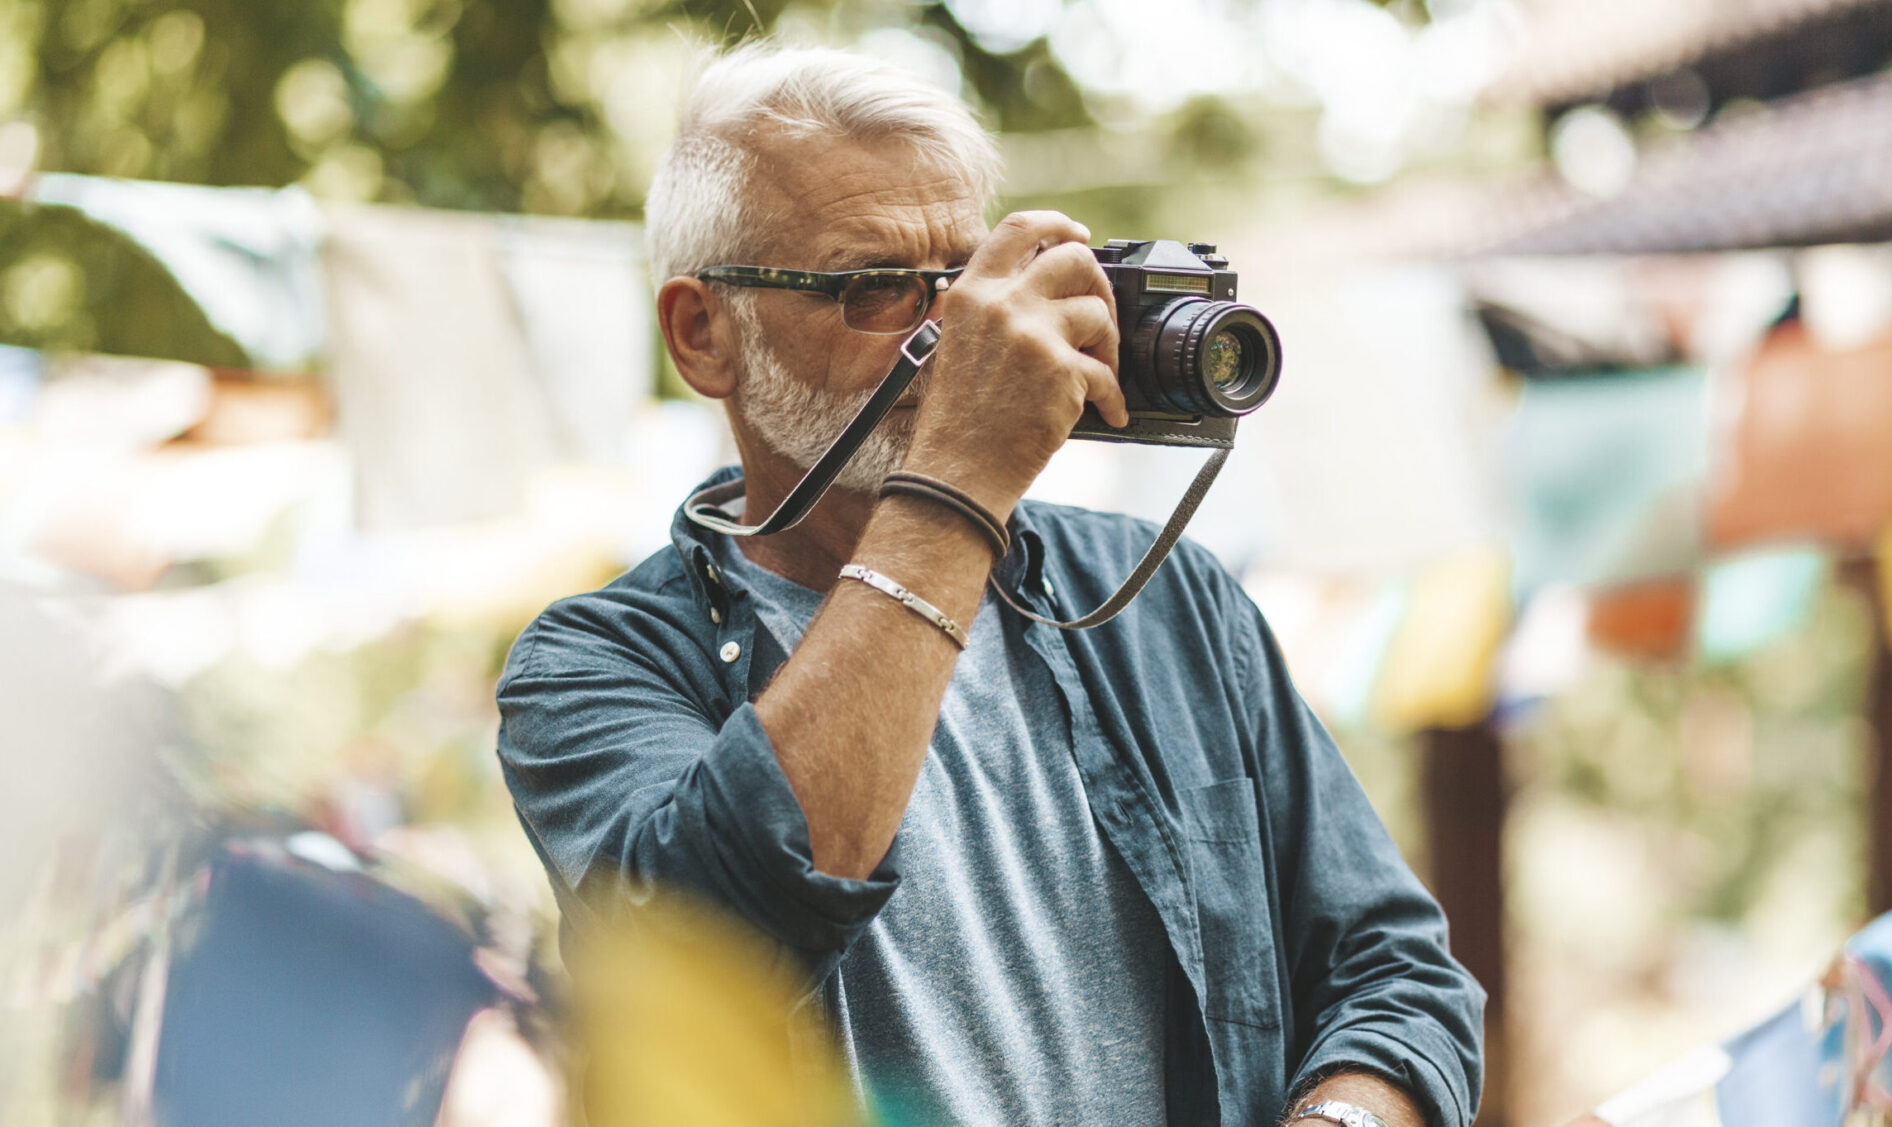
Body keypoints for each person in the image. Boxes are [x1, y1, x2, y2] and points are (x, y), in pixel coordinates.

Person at [495, 42, 1485, 1127]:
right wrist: (957, 477)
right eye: (874, 287)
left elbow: (1399, 977)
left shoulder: (1168, 601)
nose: (953, 334)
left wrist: (1343, 1118)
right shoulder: (592, 665)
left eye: (963, 281)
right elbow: (715, 946)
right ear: (703, 333)